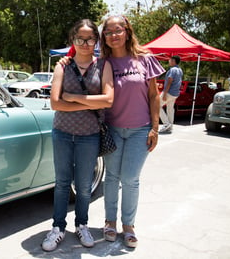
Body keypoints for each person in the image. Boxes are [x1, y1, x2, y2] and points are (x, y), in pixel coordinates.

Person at [59, 15, 165, 248]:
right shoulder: (102, 62)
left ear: (127, 31)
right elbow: (79, 62)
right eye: (108, 32)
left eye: (118, 30)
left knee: (130, 179)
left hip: (140, 129)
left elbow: (154, 96)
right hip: (111, 128)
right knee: (112, 178)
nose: (114, 35)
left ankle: (128, 225)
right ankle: (110, 222)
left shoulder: (144, 59)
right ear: (103, 37)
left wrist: (155, 128)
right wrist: (67, 60)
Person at [41, 19, 114, 252]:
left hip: (89, 135)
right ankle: (58, 227)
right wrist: (88, 103)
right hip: (62, 133)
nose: (85, 43)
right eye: (80, 39)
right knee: (62, 183)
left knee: (83, 186)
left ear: (96, 40)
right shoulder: (62, 66)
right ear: (73, 40)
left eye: (90, 39)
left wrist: (72, 98)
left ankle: (82, 224)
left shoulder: (103, 66)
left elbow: (108, 100)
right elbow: (54, 103)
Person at [159, 55, 183, 133]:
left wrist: (165, 93)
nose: (169, 61)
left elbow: (169, 81)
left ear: (173, 61)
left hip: (169, 92)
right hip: (175, 93)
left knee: (156, 106)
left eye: (170, 60)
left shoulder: (172, 70)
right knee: (170, 109)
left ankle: (166, 124)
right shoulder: (180, 70)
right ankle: (170, 126)